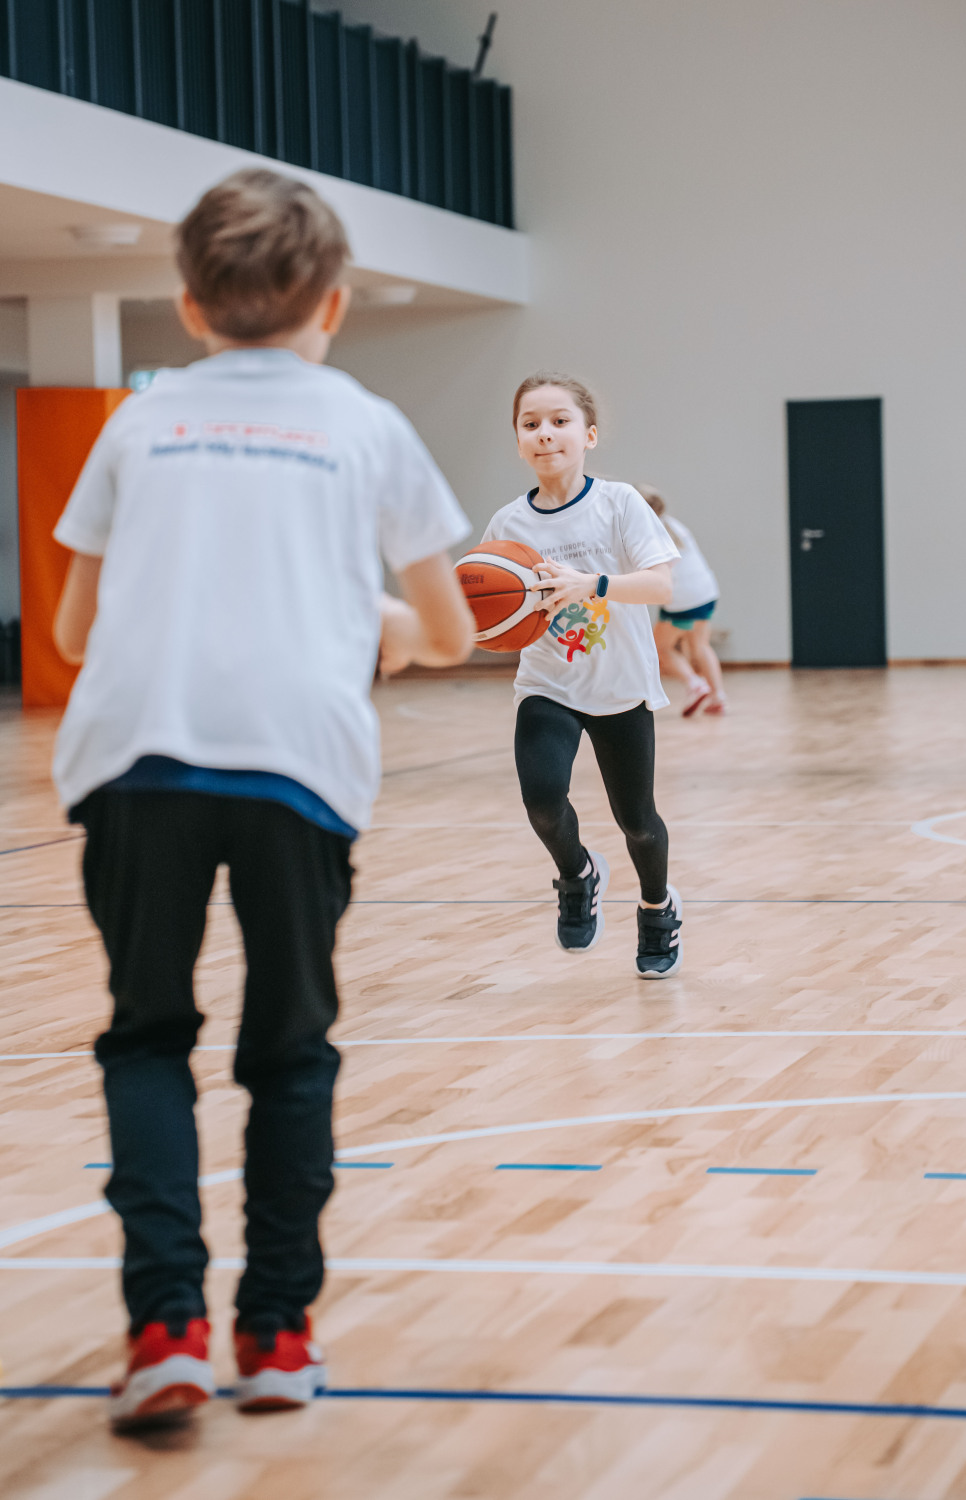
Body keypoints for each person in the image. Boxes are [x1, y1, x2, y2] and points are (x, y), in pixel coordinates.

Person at [51, 168, 473, 1429]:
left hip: (137, 761)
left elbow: (71, 634)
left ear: (188, 306)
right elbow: (450, 636)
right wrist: (385, 624)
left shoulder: (135, 424)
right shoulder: (369, 424)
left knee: (146, 1039)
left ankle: (165, 1328)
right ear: (333, 304)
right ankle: (277, 1334)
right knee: (289, 1052)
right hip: (298, 763)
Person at [481, 373, 684, 979]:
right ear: (518, 440)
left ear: (588, 435)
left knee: (637, 823)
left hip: (619, 686)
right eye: (531, 424)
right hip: (548, 683)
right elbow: (487, 612)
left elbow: (660, 585)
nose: (545, 433)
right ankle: (578, 874)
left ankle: (657, 908)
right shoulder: (507, 524)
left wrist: (590, 584)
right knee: (543, 801)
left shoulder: (618, 503)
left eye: (559, 421)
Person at [638, 486, 726, 716]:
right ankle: (718, 696)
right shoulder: (673, 524)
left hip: (683, 599)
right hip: (706, 591)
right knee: (700, 645)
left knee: (659, 649)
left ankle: (695, 684)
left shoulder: (648, 532)